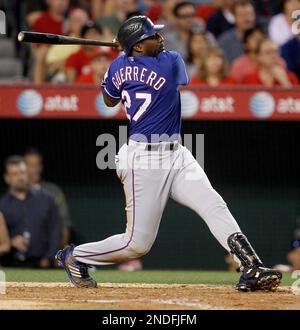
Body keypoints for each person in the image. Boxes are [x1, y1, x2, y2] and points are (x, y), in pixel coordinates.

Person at [56, 15, 282, 292]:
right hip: (143, 159)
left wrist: (122, 62)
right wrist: (128, 56)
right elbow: (152, 72)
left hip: (177, 154)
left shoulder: (120, 64)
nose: (160, 39)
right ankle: (75, 256)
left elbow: (108, 98)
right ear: (138, 46)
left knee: (213, 204)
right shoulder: (170, 61)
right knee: (136, 245)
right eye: (152, 36)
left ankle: (251, 265)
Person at [0, 156, 61, 268]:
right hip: (12, 264)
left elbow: (55, 231)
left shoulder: (47, 200)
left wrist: (49, 257)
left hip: (43, 264)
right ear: (7, 178)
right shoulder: (2, 205)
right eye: (15, 174)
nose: (20, 177)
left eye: (22, 173)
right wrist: (11, 241)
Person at [24, 148, 72, 247]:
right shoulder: (17, 193)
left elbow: (64, 223)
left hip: (50, 250)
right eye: (31, 165)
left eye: (37, 165)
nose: (35, 169)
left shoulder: (53, 191)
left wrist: (59, 253)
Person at [45, 7, 90, 83]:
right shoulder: (61, 43)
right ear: (70, 23)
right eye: (77, 21)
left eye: (83, 21)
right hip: (64, 81)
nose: (81, 24)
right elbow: (50, 68)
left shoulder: (94, 41)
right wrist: (70, 61)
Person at [31, 0, 70, 83]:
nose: (61, 2)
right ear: (48, 1)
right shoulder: (41, 21)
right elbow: (38, 49)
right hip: (50, 58)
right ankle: (39, 87)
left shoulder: (73, 18)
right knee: (42, 52)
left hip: (70, 55)